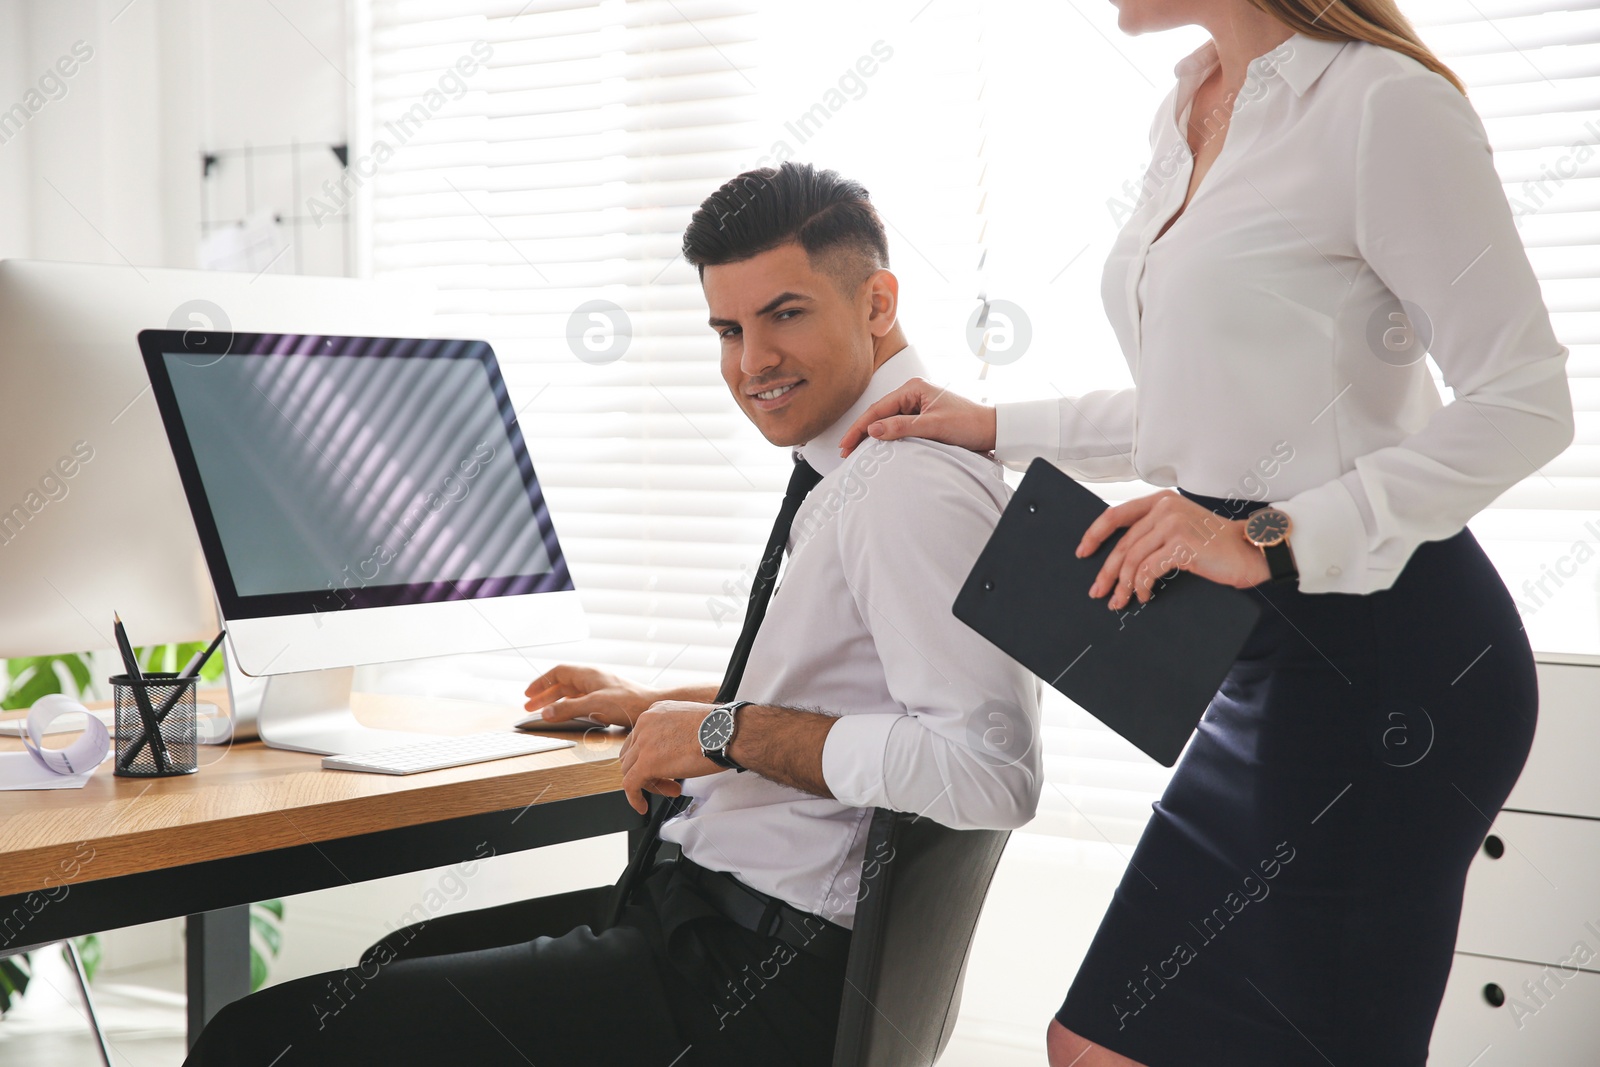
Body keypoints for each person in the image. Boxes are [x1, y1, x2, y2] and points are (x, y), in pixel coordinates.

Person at [837, 3, 1574, 1066]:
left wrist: (1272, 533)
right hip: (1259, 651)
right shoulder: (1190, 105)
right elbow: (1201, 410)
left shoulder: (1381, 105)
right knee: (1093, 1043)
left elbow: (1525, 398)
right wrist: (996, 425)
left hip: (1392, 663)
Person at [183, 161, 1041, 1067]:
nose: (752, 363)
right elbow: (865, 693)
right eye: (728, 329)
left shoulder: (909, 488)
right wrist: (658, 705)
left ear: (878, 302)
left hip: (744, 984)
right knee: (397, 961)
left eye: (785, 314)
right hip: (716, 927)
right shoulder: (865, 465)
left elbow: (989, 770)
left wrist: (717, 732)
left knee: (257, 1041)